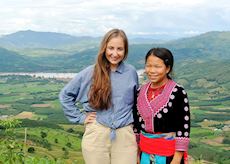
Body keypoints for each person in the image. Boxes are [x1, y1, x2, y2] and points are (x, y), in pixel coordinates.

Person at [59, 28, 138, 164]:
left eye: (120, 49)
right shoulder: (90, 72)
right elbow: (65, 95)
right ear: (104, 48)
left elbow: (135, 104)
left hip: (125, 135)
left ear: (125, 51)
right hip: (97, 133)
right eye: (111, 48)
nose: (114, 53)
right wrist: (80, 117)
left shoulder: (131, 73)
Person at [133, 48, 190, 164]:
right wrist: (137, 152)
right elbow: (137, 125)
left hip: (170, 155)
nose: (152, 70)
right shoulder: (140, 92)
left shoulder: (177, 92)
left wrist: (177, 158)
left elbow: (183, 126)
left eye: (157, 67)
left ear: (167, 68)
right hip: (145, 153)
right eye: (148, 66)